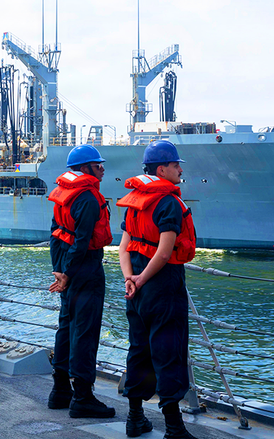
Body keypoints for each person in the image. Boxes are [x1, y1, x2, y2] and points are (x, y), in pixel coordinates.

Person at [116, 140, 198, 439]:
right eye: (176, 165)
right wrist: (142, 279)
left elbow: (123, 247)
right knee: (168, 352)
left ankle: (135, 418)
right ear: (162, 169)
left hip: (136, 289)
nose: (180, 170)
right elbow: (164, 253)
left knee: (139, 350)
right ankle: (174, 428)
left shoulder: (134, 200)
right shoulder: (169, 203)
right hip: (162, 286)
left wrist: (131, 278)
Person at [46, 145, 114, 418]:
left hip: (66, 265)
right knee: (85, 331)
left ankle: (60, 390)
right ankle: (83, 397)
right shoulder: (87, 197)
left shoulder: (64, 193)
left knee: (66, 327)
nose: (102, 169)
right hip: (85, 269)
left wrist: (60, 270)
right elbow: (83, 241)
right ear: (85, 168)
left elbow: (55, 233)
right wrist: (68, 273)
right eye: (98, 165)